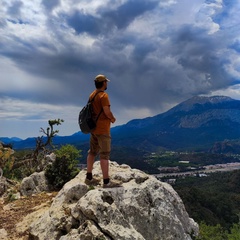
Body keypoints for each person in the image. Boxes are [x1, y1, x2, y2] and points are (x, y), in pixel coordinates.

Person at [85, 74, 121, 188]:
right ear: (103, 83)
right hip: (103, 129)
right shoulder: (103, 96)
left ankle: (89, 177)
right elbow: (106, 111)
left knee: (92, 152)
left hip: (93, 128)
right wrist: (112, 118)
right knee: (104, 155)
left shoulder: (92, 95)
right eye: (106, 82)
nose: (107, 84)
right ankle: (106, 182)